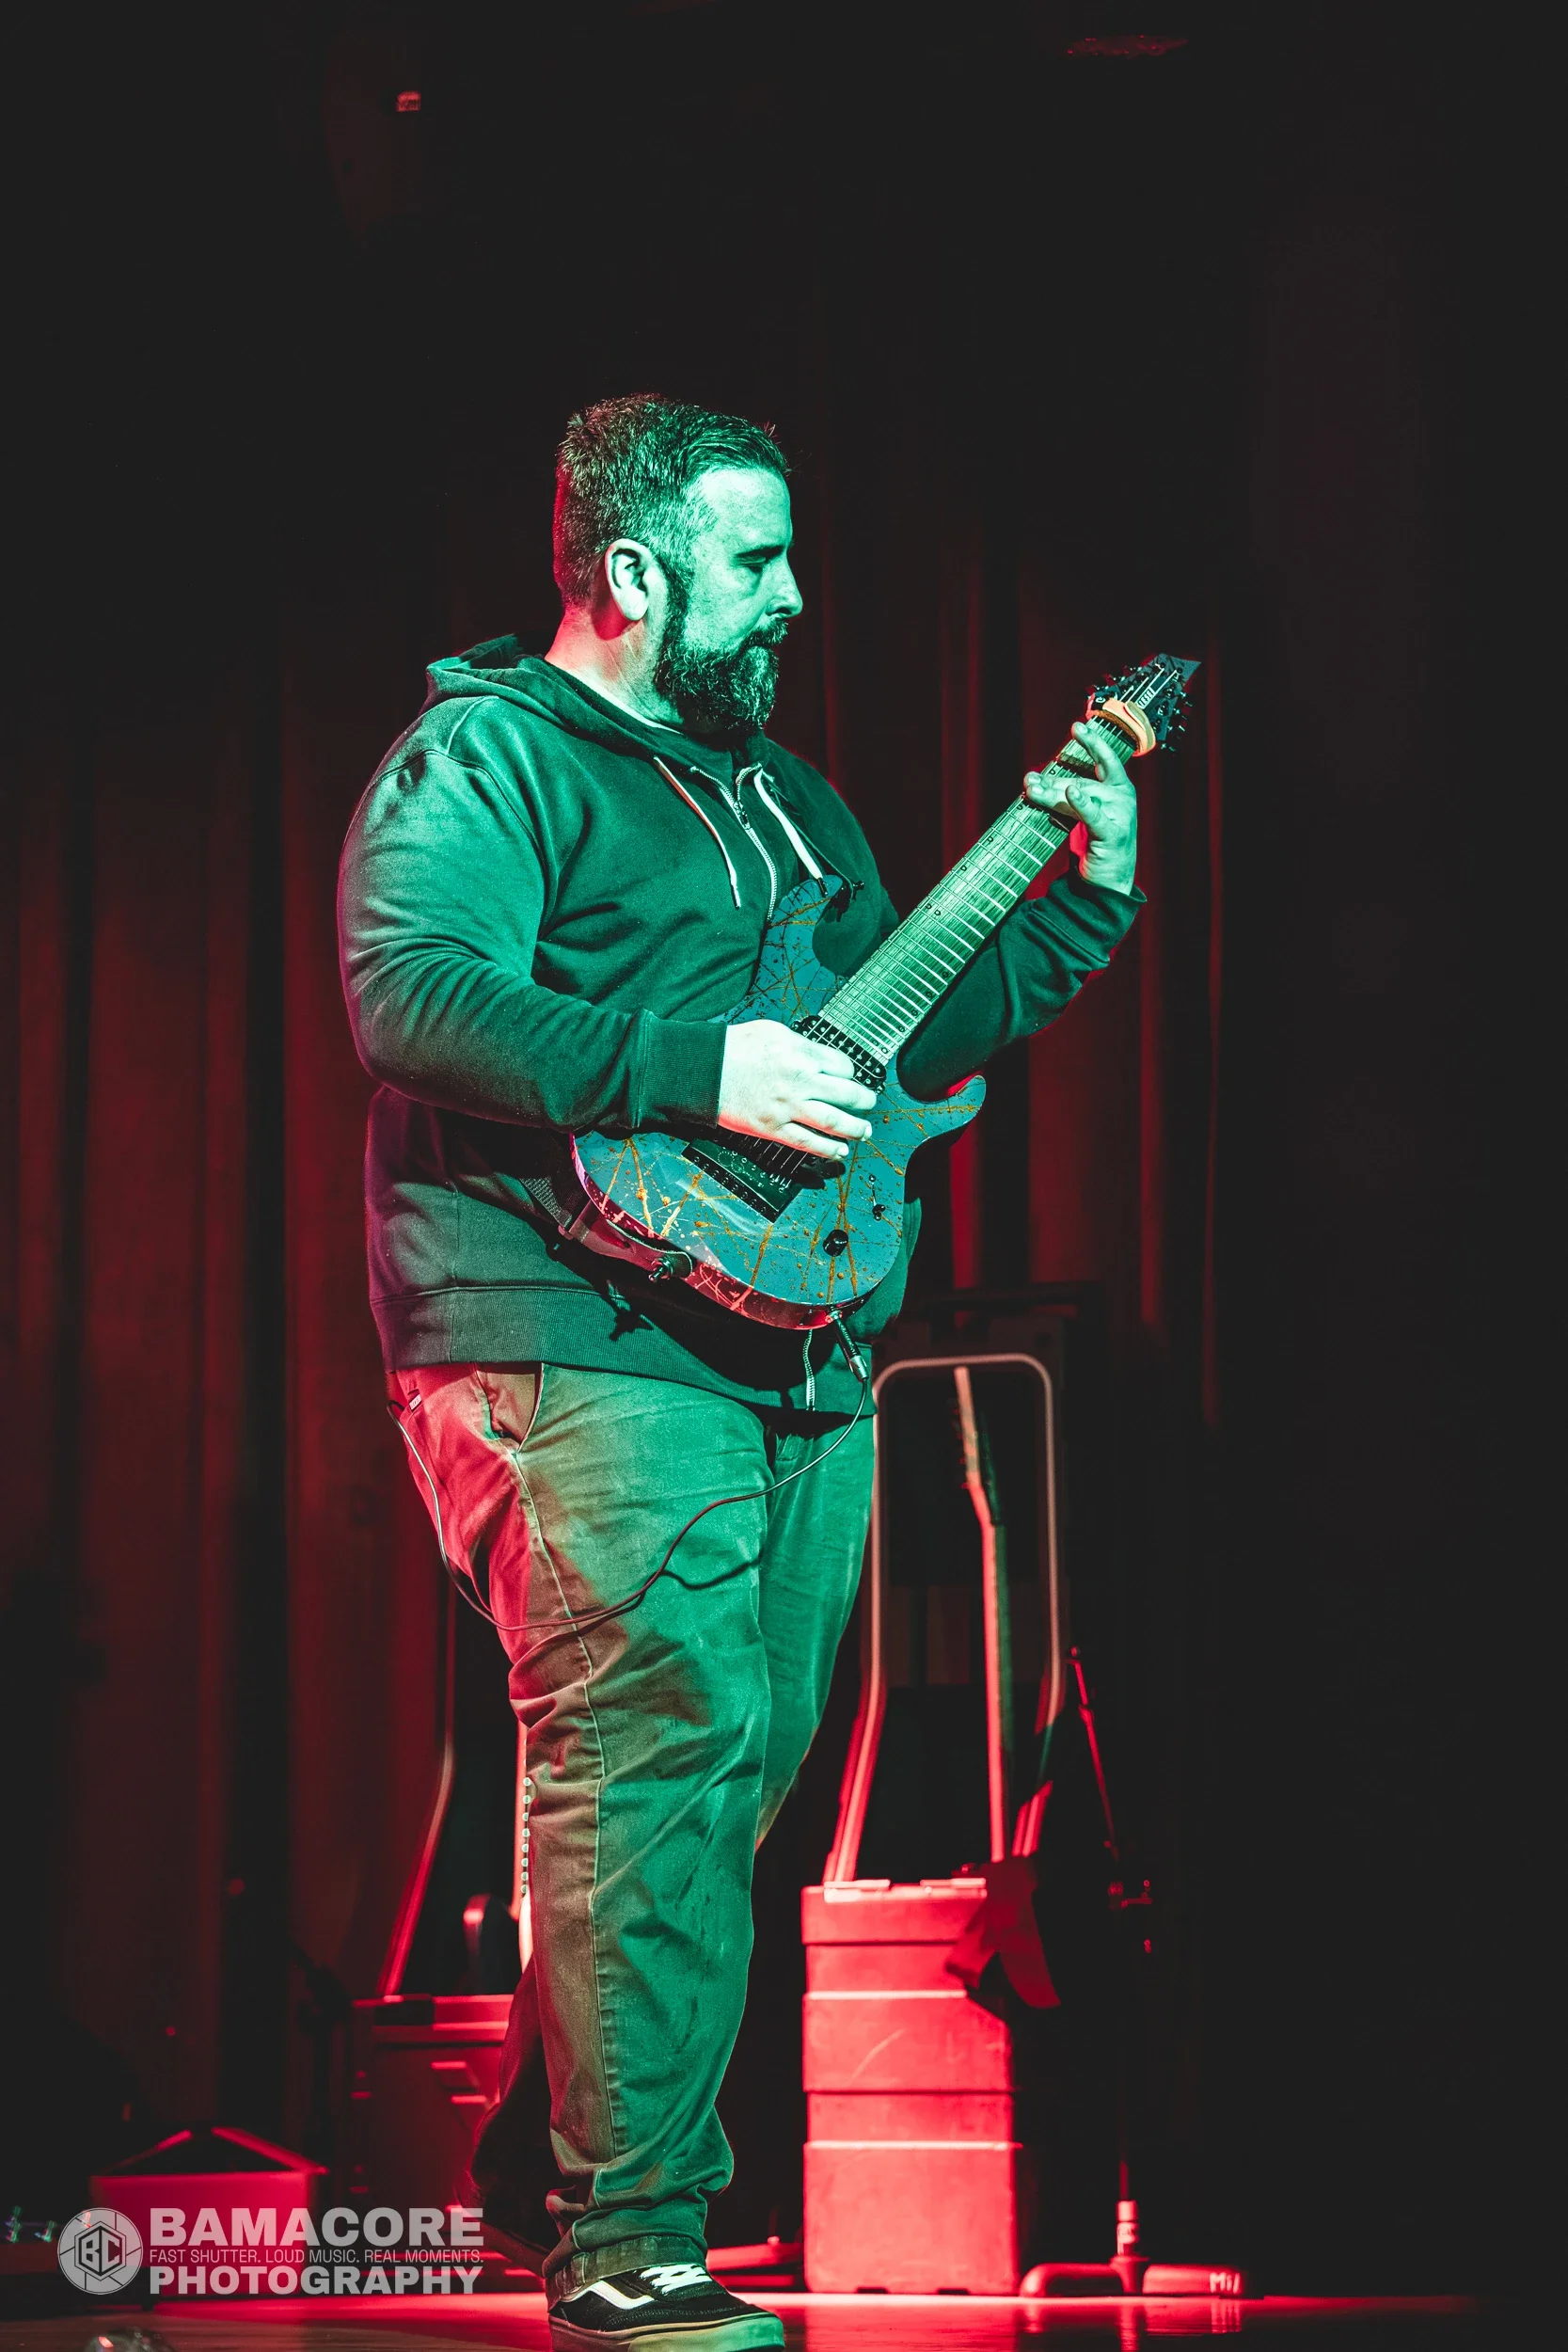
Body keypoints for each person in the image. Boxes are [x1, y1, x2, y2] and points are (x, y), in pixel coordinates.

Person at [337, 394, 1141, 2351]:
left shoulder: (784, 802)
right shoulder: (487, 754)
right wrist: (692, 1067)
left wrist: (1087, 893)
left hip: (783, 1337)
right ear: (629, 574)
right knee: (656, 1749)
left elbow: (906, 1034)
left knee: (724, 1772)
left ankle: (553, 2159)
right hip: (561, 1323)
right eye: (752, 559)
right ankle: (630, 2238)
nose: (793, 593)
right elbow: (411, 997)